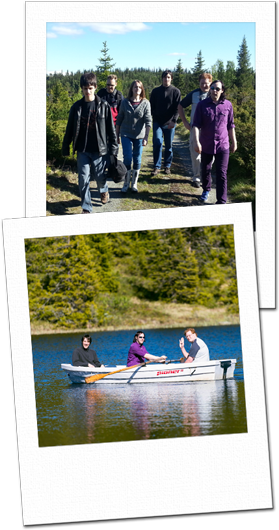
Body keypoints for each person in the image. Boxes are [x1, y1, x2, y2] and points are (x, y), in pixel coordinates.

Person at [62, 72, 118, 213]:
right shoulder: (76, 107)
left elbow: (111, 130)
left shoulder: (104, 106)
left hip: (99, 150)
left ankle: (103, 190)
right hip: (82, 150)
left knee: (99, 177)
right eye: (85, 88)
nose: (88, 91)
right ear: (82, 89)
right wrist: (66, 146)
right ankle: (86, 208)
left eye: (90, 88)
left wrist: (113, 150)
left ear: (95, 87)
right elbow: (70, 128)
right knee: (83, 178)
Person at [192, 80, 237, 204]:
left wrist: (234, 141)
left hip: (223, 145)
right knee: (205, 169)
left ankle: (221, 200)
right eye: (212, 88)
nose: (214, 91)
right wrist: (196, 141)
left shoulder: (228, 105)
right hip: (206, 143)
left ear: (222, 90)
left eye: (217, 88)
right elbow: (196, 125)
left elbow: (230, 125)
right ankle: (206, 190)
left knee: (222, 173)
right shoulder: (202, 105)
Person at [116, 80, 151, 193]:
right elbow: (119, 119)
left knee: (137, 158)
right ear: (131, 89)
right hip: (126, 133)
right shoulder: (125, 102)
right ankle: (126, 183)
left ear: (142, 90)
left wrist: (146, 137)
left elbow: (148, 121)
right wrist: (117, 135)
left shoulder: (145, 103)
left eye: (139, 87)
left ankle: (134, 183)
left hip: (139, 136)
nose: (137, 89)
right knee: (127, 157)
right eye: (135, 87)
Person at [178, 73, 212, 187]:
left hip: (210, 131)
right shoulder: (194, 94)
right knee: (195, 154)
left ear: (210, 83)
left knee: (211, 155)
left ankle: (206, 175)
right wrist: (185, 122)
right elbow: (180, 106)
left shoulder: (214, 94)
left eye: (206, 84)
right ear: (199, 83)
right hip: (195, 129)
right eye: (202, 83)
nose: (204, 86)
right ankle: (196, 178)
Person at [150, 70, 181, 176]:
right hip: (158, 122)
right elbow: (151, 106)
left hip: (170, 123)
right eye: (164, 77)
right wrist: (153, 118)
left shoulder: (176, 91)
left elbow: (178, 108)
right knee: (157, 143)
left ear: (171, 78)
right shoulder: (155, 91)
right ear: (162, 78)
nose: (166, 79)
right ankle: (156, 166)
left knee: (168, 146)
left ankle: (167, 166)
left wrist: (174, 120)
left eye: (168, 77)